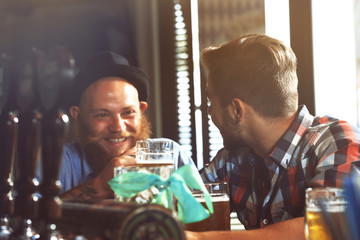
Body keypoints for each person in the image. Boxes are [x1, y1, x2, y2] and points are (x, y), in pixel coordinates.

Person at [186, 34, 360, 239]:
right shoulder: (230, 161)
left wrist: (197, 238)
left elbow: (329, 227)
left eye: (210, 102)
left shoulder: (336, 142)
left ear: (236, 110)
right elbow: (179, 199)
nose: (209, 112)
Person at [54, 51, 194, 201]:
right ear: (77, 115)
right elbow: (31, 218)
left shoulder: (172, 155)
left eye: (127, 112)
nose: (118, 127)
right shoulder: (56, 162)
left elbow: (203, 217)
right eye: (102, 115)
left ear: (141, 110)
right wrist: (100, 186)